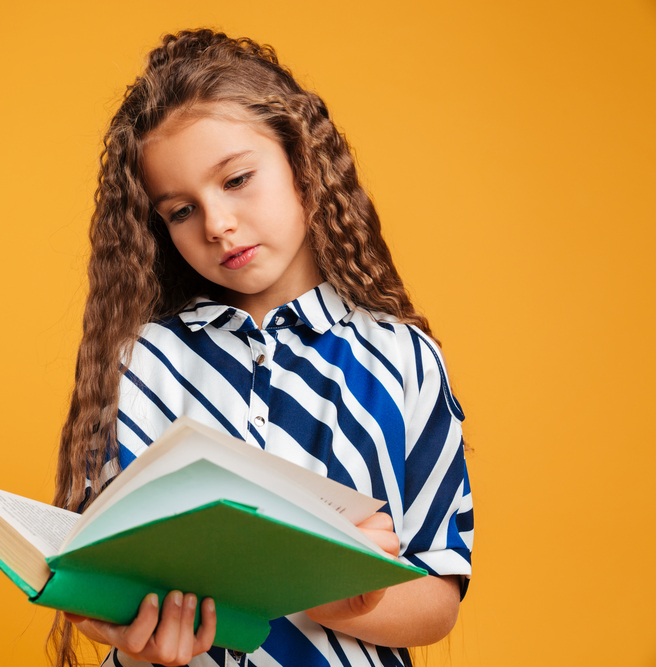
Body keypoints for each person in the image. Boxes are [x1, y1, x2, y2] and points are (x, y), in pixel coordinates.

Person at [49, 29, 473, 667]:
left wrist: (337, 592)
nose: (217, 224)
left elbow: (439, 595)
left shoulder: (403, 360)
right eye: (181, 211)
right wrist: (128, 635)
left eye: (238, 179)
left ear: (302, 159)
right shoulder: (143, 363)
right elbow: (99, 574)